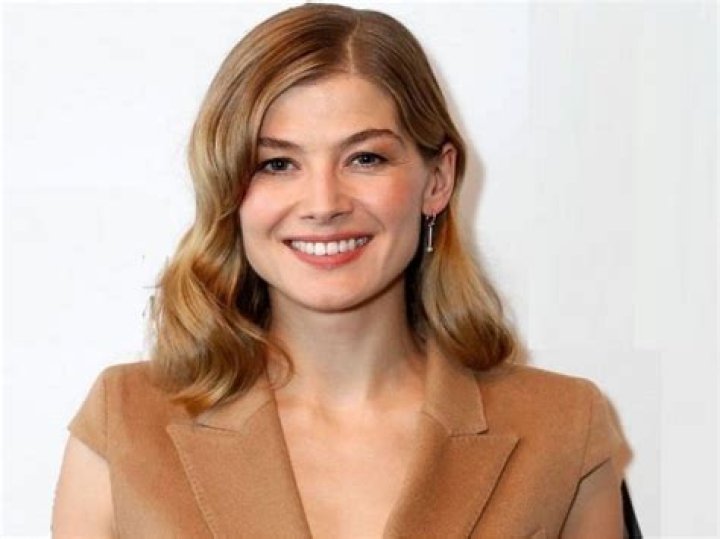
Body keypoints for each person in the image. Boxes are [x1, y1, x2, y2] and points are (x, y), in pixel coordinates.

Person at [52, 3, 630, 538]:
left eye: (365, 158)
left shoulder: (563, 429)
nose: (323, 203)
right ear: (228, 187)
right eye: (277, 164)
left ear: (437, 180)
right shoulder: (125, 424)